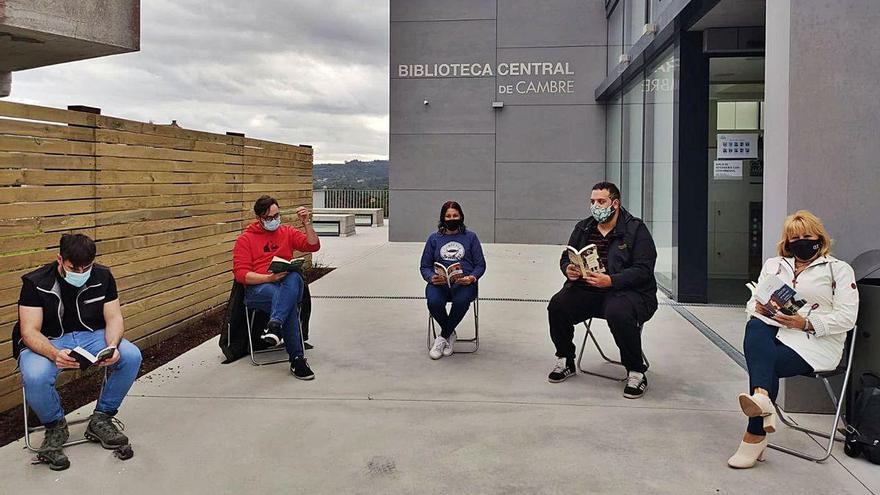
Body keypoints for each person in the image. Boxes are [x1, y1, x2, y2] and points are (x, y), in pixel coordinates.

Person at [728, 210, 859, 469]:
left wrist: (807, 322)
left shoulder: (839, 270)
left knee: (765, 363)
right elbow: (753, 302)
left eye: (807, 235)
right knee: (755, 326)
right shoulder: (775, 264)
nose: (801, 241)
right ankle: (762, 400)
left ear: (819, 238)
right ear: (787, 242)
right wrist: (761, 307)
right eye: (794, 237)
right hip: (776, 332)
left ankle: (755, 431)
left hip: (816, 342)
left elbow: (848, 317)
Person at [14, 234, 142, 471]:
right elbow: (29, 331)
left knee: (131, 355)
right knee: (35, 375)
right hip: (48, 339)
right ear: (60, 260)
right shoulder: (35, 282)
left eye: (87, 267)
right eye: (74, 267)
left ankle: (101, 418)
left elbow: (114, 317)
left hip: (91, 336)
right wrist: (54, 354)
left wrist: (112, 345)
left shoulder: (103, 276)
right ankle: (55, 427)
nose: (81, 272)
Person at [546, 182, 658, 399]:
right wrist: (568, 269)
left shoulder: (635, 229)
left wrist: (612, 280)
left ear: (615, 203)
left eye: (601, 201)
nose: (595, 206)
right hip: (588, 290)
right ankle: (566, 359)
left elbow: (644, 269)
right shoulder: (584, 228)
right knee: (557, 305)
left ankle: (636, 371)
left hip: (627, 293)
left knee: (619, 313)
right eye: (592, 201)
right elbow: (565, 256)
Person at [232, 195, 321, 379]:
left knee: (294, 276)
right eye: (269, 218)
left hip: (285, 284)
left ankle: (274, 325)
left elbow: (313, 246)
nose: (274, 221)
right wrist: (268, 277)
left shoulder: (287, 232)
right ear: (259, 218)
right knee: (286, 303)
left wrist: (306, 223)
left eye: (276, 216)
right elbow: (241, 274)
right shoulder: (245, 239)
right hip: (259, 288)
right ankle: (297, 359)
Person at [420, 201, 486, 359]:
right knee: (433, 302)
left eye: (455, 215)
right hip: (440, 284)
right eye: (448, 216)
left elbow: (481, 265)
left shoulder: (470, 237)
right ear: (442, 218)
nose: (452, 218)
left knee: (462, 301)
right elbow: (424, 266)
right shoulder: (434, 239)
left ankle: (442, 337)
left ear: (461, 217)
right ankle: (449, 333)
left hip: (464, 283)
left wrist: (471, 278)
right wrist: (431, 277)